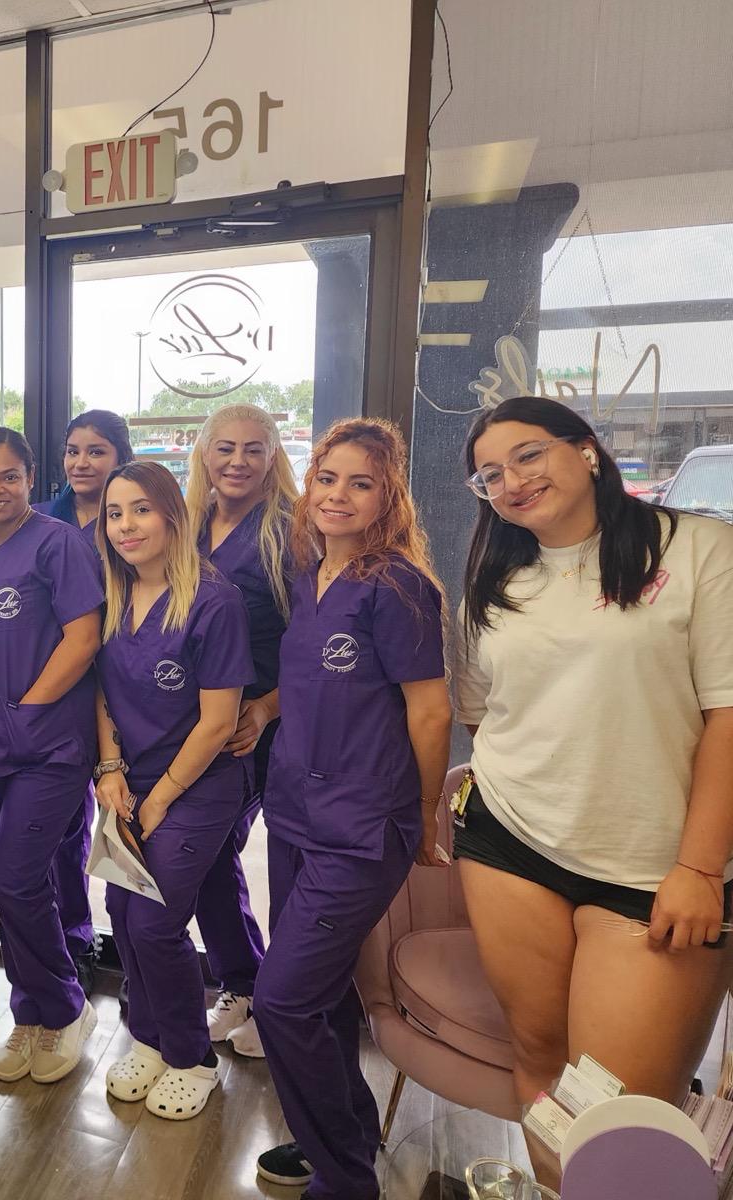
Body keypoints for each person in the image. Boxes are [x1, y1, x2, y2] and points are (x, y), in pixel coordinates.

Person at [454, 396, 733, 1189]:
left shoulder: (699, 548)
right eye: (490, 475)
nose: (511, 481)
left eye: (528, 455)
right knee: (540, 1060)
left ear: (586, 451)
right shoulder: (494, 582)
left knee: (618, 1110)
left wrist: (700, 867)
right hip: (508, 841)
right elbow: (483, 714)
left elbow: (728, 715)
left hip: (653, 867)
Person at [251, 418, 452, 1199]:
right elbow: (313, 679)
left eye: (360, 483)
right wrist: (265, 709)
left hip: (362, 826)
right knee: (325, 992)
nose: (337, 495)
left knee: (281, 1001)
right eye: (327, 478)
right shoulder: (312, 576)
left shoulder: (397, 587)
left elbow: (430, 712)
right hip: (296, 812)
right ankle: (345, 1134)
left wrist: (426, 816)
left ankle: (344, 1179)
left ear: (388, 497)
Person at [92, 462, 252, 1120]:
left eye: (141, 510)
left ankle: (192, 1057)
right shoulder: (113, 594)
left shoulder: (214, 601)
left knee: (156, 924)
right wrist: (109, 770)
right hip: (129, 784)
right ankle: (150, 1039)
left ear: (172, 516)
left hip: (199, 786)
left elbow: (219, 722)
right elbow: (102, 691)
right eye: (114, 513)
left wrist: (158, 799)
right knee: (121, 909)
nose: (125, 526)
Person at [0, 426, 104, 1085]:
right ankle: (28, 1010)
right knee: (13, 886)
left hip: (49, 748)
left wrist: (29, 708)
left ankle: (66, 1007)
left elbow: (84, 637)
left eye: (9, 476)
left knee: (16, 879)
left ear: (31, 479)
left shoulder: (58, 543)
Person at [183, 403, 297, 1059]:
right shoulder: (189, 524)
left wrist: (268, 708)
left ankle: (277, 1003)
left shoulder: (291, 532)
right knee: (208, 860)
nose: (238, 461)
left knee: (278, 868)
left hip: (262, 728)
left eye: (254, 449)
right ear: (204, 453)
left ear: (273, 456)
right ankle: (243, 983)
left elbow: (314, 641)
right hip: (199, 726)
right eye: (224, 447)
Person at [35, 409, 135, 992]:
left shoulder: (134, 519)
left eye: (96, 451)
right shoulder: (40, 520)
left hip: (128, 687)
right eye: (73, 450)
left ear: (120, 457)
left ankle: (139, 960)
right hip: (63, 687)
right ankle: (73, 941)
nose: (81, 462)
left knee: (127, 825)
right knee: (63, 830)